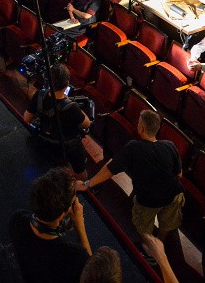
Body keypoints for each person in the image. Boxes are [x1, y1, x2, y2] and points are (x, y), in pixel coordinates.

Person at [77, 110, 184, 262]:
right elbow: (179, 175)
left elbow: (110, 169)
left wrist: (87, 184)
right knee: (168, 221)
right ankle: (160, 242)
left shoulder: (133, 148)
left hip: (148, 199)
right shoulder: (170, 146)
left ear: (141, 128)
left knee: (142, 225)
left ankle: (150, 249)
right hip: (174, 194)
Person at [9, 167, 92, 283]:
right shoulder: (74, 257)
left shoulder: (17, 220)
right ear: (63, 213)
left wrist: (63, 226)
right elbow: (91, 275)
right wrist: (80, 226)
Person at [23, 64, 92, 179]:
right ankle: (84, 185)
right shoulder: (72, 108)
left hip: (45, 140)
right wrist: (71, 103)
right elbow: (87, 124)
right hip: (68, 147)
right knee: (81, 171)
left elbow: (26, 118)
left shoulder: (39, 95)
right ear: (67, 83)